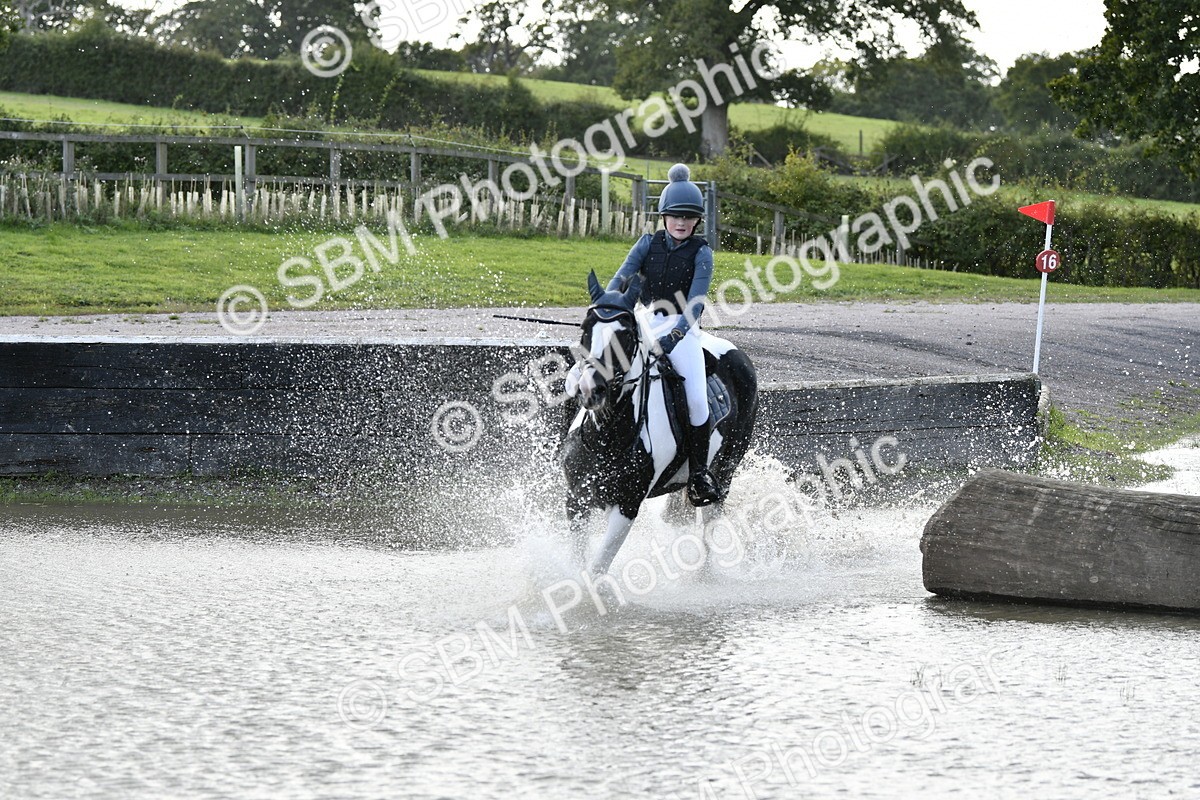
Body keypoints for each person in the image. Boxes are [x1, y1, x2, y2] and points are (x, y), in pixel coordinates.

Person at [605, 163, 719, 507]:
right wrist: (609, 308)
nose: (681, 222)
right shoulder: (646, 244)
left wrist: (677, 335)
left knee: (696, 400)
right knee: (598, 369)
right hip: (645, 322)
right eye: (675, 216)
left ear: (697, 220)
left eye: (688, 217)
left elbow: (696, 303)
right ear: (664, 216)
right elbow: (620, 280)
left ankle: (699, 474)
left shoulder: (702, 253)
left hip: (683, 330)